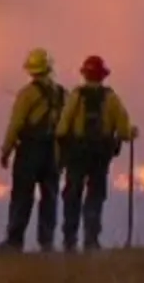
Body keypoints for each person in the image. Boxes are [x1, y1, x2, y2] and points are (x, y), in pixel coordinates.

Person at [55, 55, 137, 252]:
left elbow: (62, 128)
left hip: (77, 155)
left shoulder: (76, 96)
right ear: (102, 76)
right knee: (95, 196)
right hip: (100, 156)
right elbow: (124, 131)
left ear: (85, 75)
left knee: (72, 195)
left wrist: (61, 153)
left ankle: (69, 240)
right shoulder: (111, 99)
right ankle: (91, 240)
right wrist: (130, 133)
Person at [0, 48, 66, 253]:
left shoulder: (27, 94)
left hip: (29, 151)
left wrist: (6, 151)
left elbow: (16, 124)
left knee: (22, 196)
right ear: (49, 68)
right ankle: (47, 242)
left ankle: (14, 241)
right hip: (53, 151)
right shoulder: (62, 94)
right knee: (50, 197)